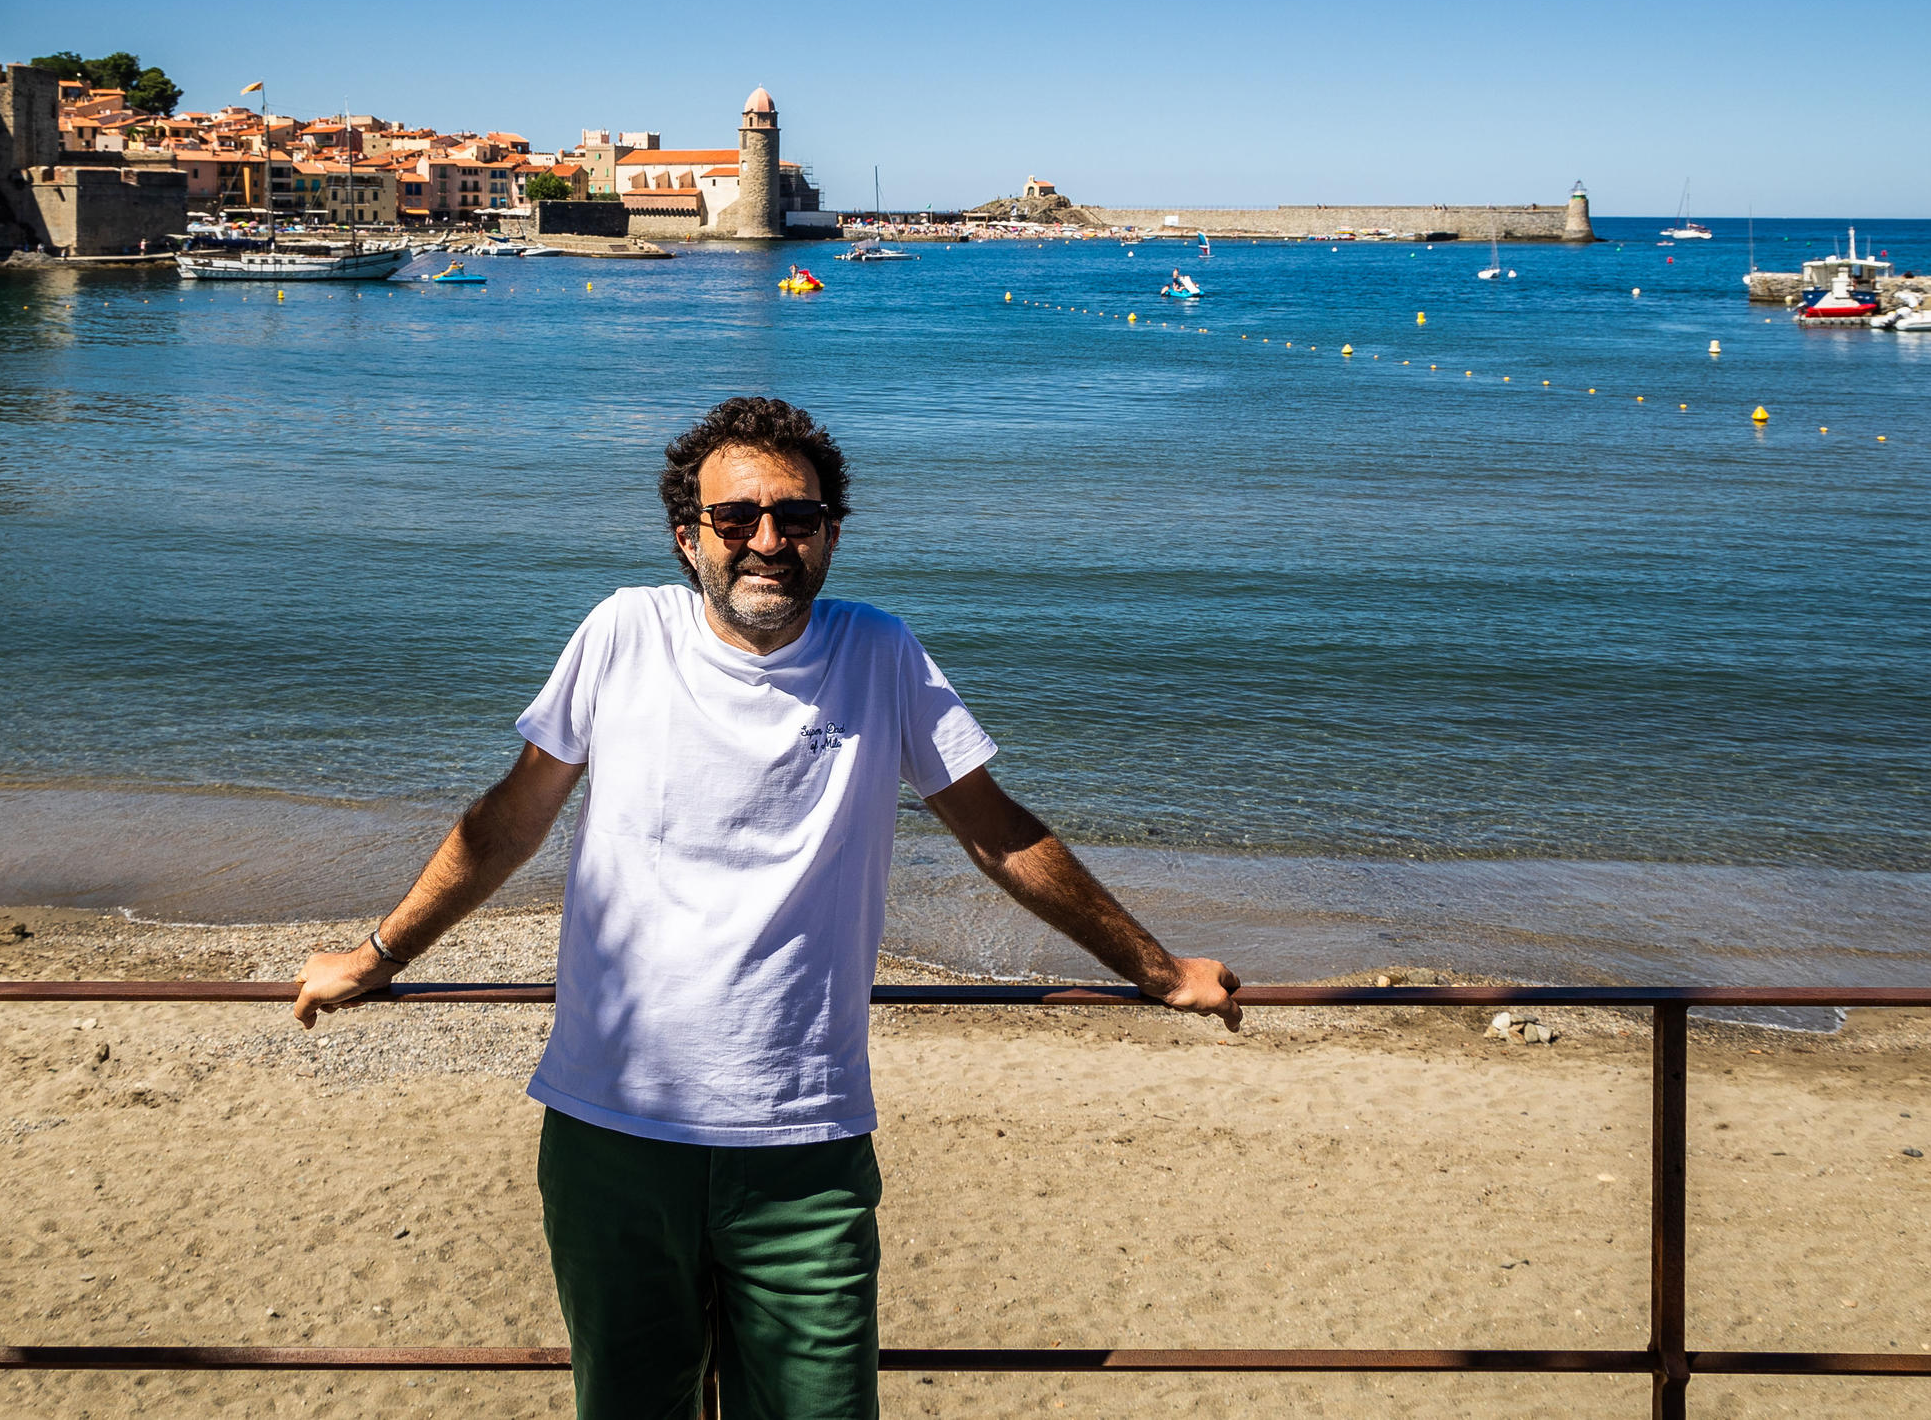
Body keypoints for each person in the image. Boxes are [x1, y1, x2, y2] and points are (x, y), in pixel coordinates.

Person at [291, 395, 1240, 1419]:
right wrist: (378, 952)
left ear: (830, 530)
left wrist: (1157, 968)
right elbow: (510, 821)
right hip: (612, 1130)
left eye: (795, 515)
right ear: (686, 535)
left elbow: (996, 831)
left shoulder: (879, 654)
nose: (767, 540)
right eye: (735, 518)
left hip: (804, 1145)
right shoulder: (621, 632)